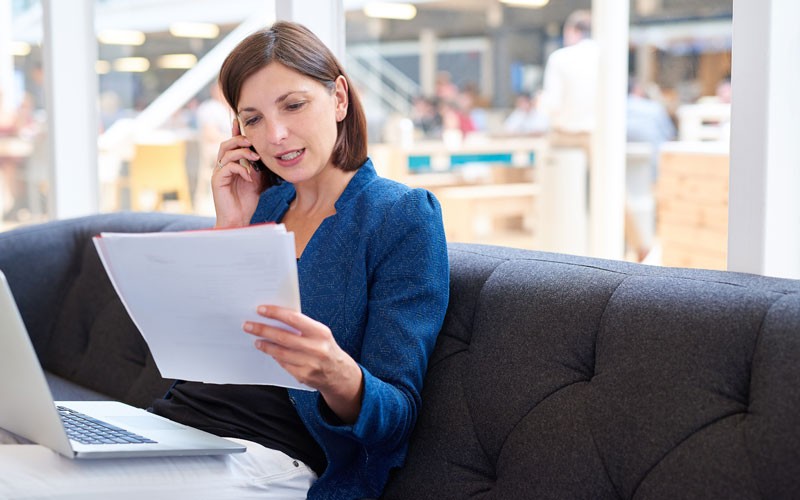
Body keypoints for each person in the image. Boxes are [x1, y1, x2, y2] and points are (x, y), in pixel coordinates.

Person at [0, 21, 450, 500]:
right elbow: (203, 357)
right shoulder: (267, 206)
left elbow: (396, 418)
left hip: (268, 458)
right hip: (175, 432)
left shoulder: (400, 216)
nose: (275, 135)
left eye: (294, 105)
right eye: (253, 119)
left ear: (339, 98)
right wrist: (231, 230)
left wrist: (335, 370)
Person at [539, 9, 598, 157]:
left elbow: (553, 104)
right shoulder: (605, 57)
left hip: (565, 139)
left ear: (573, 30)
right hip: (598, 138)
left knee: (555, 176)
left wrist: (540, 101)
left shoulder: (559, 58)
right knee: (598, 180)